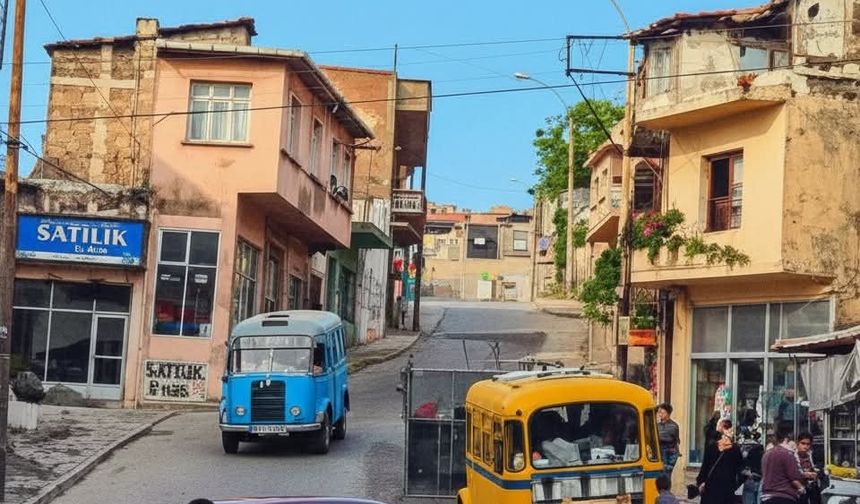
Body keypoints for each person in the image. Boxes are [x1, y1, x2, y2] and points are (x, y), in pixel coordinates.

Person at [696, 422, 744, 504]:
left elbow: (705, 467)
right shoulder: (735, 449)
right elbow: (740, 469)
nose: (732, 432)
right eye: (731, 430)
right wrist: (736, 485)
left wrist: (700, 482)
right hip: (727, 489)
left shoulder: (711, 447)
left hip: (711, 488)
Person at [761, 426, 807, 504]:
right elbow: (794, 478)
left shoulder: (766, 454)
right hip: (784, 496)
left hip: (766, 497)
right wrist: (802, 489)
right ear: (787, 439)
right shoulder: (787, 454)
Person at [657, 403, 681, 482]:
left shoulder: (674, 426)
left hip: (670, 453)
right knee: (662, 474)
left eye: (662, 412)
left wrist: (676, 453)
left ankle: (666, 487)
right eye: (659, 412)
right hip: (661, 452)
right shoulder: (657, 426)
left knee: (667, 473)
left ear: (668, 413)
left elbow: (677, 441)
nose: (660, 414)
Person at [795, 432, 820, 504]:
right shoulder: (792, 456)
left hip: (811, 489)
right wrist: (807, 474)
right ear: (798, 443)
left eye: (808, 444)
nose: (805, 446)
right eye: (803, 443)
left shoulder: (811, 455)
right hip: (798, 490)